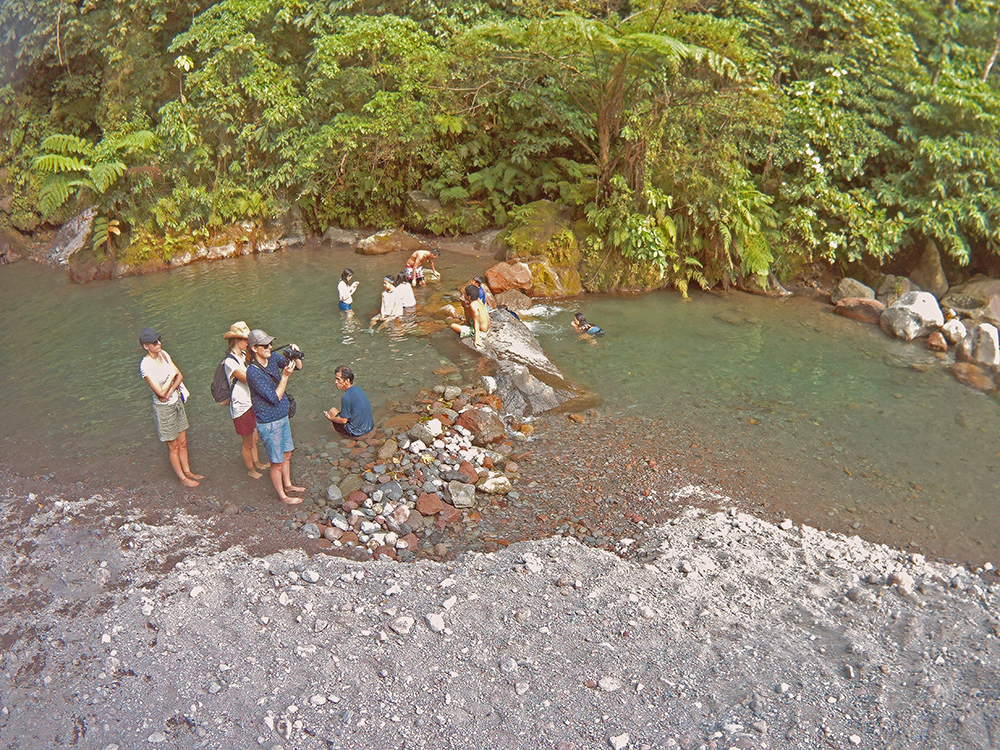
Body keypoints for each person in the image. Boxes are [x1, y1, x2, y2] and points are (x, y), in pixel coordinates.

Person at [138, 327, 204, 488]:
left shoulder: (165, 354)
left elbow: (180, 375)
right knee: (173, 446)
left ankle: (188, 471)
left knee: (183, 442)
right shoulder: (145, 365)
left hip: (176, 402)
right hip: (164, 409)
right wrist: (170, 379)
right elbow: (160, 392)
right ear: (146, 346)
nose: (158, 343)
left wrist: (170, 387)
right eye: (154, 342)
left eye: (159, 339)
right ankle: (182, 478)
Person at [245, 328, 305, 505]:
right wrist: (285, 376)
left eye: (270, 344)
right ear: (255, 348)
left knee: (287, 454)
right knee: (276, 462)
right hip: (269, 421)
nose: (269, 347)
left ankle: (288, 485)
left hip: (282, 416)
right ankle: (283, 496)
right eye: (265, 345)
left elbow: (299, 367)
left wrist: (295, 355)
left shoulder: (271, 358)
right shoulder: (253, 372)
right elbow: (274, 397)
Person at [222, 321, 269, 479]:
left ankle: (257, 463)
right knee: (247, 442)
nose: (247, 343)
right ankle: (251, 470)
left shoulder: (243, 355)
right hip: (241, 406)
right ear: (235, 340)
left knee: (254, 437)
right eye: (244, 340)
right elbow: (248, 379)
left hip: (251, 401)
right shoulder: (230, 361)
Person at [324, 366, 375, 438]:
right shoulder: (358, 388)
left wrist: (330, 418)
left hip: (356, 432)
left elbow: (344, 420)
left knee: (332, 411)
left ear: (347, 381)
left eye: (338, 379)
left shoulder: (346, 397)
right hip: (369, 427)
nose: (336, 382)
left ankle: (344, 438)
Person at [450, 284, 491, 348]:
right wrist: (463, 305)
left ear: (468, 297)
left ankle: (472, 334)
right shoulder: (478, 300)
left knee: (453, 326)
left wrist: (477, 339)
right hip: (487, 329)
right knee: (466, 307)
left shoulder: (473, 305)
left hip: (482, 333)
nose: (463, 295)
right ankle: (468, 326)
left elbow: (476, 322)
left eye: (464, 294)